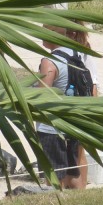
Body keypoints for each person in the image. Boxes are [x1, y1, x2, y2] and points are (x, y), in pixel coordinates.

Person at [35, 27, 82, 189]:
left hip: (51, 128)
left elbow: (42, 94)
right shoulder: (75, 54)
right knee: (71, 174)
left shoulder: (50, 61)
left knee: (53, 176)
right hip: (72, 123)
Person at [65, 24, 99, 187]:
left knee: (78, 151)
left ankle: (80, 187)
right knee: (73, 151)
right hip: (72, 103)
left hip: (79, 105)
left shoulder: (84, 53)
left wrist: (90, 111)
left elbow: (93, 85)